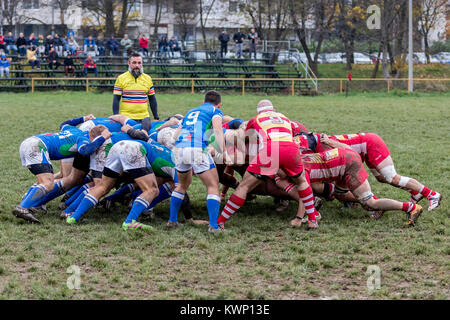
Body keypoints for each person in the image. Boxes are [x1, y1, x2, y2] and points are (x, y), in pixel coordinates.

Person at [217, 100, 321, 229]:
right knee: (302, 182)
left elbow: (244, 137)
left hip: (271, 150)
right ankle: (312, 219)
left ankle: (220, 221)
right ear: (273, 109)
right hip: (291, 150)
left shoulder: (256, 119)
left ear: (259, 111)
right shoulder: (284, 117)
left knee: (243, 187)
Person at [13, 115, 95, 223]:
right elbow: (84, 151)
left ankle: (30, 204)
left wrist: (83, 119)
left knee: (44, 180)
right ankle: (23, 208)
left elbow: (64, 124)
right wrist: (103, 138)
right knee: (48, 183)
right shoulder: (84, 138)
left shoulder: (73, 129)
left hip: (30, 141)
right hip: (37, 147)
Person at [168, 90, 226, 233]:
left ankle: (172, 221)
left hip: (180, 148)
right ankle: (213, 226)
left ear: (203, 102)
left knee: (182, 185)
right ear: (219, 105)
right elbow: (218, 131)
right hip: (197, 148)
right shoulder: (216, 111)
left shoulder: (191, 111)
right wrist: (220, 149)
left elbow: (175, 136)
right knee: (213, 186)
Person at [112, 52, 159, 131]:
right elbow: (116, 99)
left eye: (139, 63)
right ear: (129, 63)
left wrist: (156, 117)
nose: (137, 66)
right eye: (134, 63)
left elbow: (152, 99)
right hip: (126, 118)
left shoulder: (148, 78)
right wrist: (116, 116)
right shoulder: (121, 78)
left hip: (144, 118)